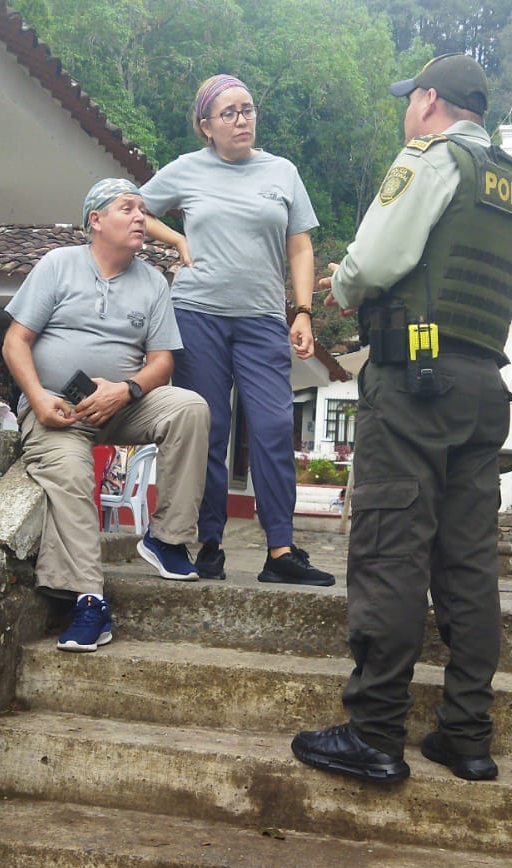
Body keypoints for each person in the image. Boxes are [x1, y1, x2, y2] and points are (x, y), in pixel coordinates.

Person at [291, 54, 512, 784]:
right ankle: (465, 734)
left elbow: (370, 264)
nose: (408, 111)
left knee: (389, 548)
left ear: (429, 101)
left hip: (413, 378)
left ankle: (373, 732)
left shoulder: (431, 159)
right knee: (467, 562)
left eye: (411, 99)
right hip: (482, 383)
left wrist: (340, 284)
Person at [139, 75, 336, 587]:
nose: (242, 119)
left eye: (247, 109)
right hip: (197, 314)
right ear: (206, 126)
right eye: (228, 113)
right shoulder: (187, 169)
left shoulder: (282, 172)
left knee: (272, 427)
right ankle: (208, 544)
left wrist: (303, 310)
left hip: (263, 319)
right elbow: (135, 208)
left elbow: (300, 246)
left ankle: (281, 549)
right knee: (209, 428)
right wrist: (176, 238)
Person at [2, 179, 211, 653]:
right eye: (127, 208)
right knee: (73, 474)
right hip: (59, 408)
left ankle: (167, 540)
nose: (141, 218)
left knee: (190, 408)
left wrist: (127, 388)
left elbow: (163, 362)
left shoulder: (154, 282)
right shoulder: (58, 265)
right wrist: (36, 398)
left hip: (123, 404)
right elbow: (16, 342)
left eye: (143, 209)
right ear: (95, 220)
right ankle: (90, 601)